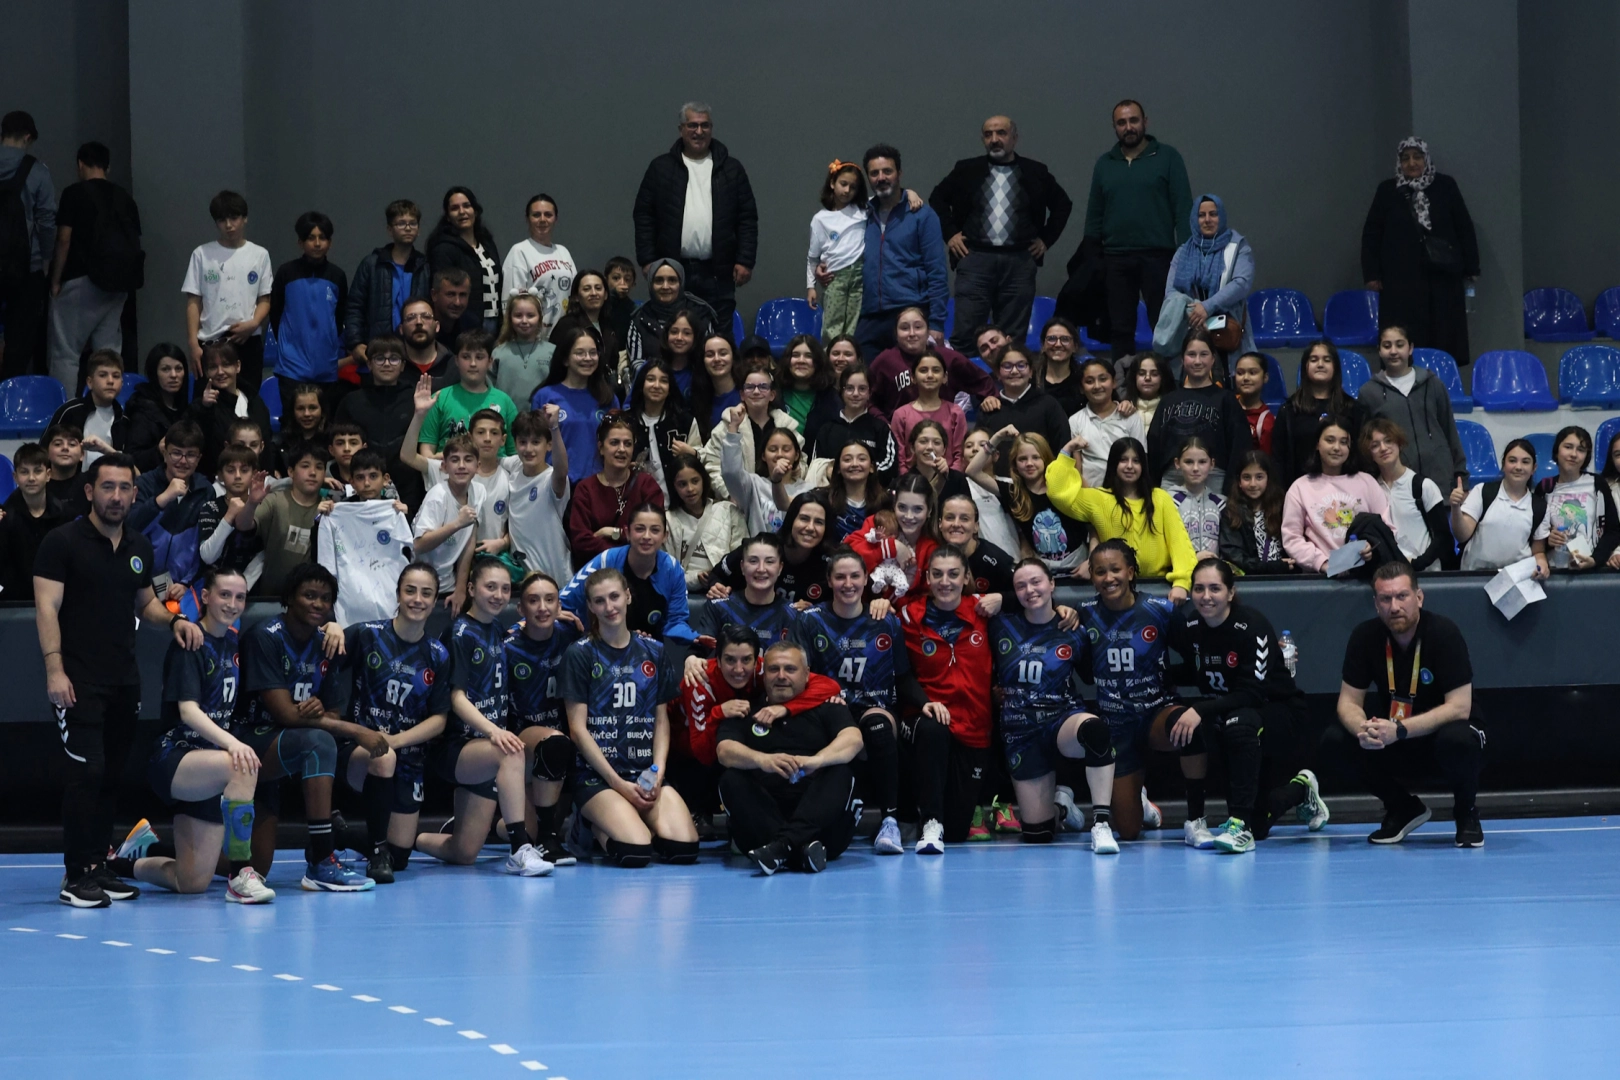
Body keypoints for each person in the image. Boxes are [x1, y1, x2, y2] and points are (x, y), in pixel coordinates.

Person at [33, 453, 205, 906]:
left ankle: (98, 865)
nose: (116, 496)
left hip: (124, 680)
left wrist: (174, 620)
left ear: (134, 493)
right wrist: (55, 669)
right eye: (107, 487)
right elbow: (46, 608)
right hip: (77, 680)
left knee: (110, 776)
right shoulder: (61, 542)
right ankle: (75, 876)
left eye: (124, 488)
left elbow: (145, 603)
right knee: (86, 773)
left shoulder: (138, 546)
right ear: (90, 491)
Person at [119, 568, 271, 902]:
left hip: (209, 766)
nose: (232, 604)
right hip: (175, 756)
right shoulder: (191, 641)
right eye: (224, 595)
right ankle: (241, 875)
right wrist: (233, 743)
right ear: (205, 597)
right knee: (242, 765)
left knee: (191, 881)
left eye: (240, 597)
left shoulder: (233, 642)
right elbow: (188, 711)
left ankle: (118, 862)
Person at [1173, 559, 1329, 851]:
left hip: (1279, 711)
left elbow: (1252, 693)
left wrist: (1199, 710)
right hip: (1235, 714)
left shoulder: (1252, 626)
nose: (1206, 596)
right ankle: (1301, 789)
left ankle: (1238, 826)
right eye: (1199, 589)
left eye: (1215, 588)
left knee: (1238, 723)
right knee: (1261, 823)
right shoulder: (1192, 626)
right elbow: (1195, 671)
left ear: (1231, 592)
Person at [233, 562, 371, 889]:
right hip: (247, 743)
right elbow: (286, 715)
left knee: (256, 865)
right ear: (289, 598)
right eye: (309, 595)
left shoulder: (325, 644)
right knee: (320, 742)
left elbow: (332, 714)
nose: (317, 604)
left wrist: (320, 709)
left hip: (286, 747)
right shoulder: (264, 637)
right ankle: (322, 860)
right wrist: (358, 731)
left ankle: (143, 853)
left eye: (325, 598)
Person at [1327, 561, 1485, 846]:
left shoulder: (1444, 633)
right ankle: (1402, 807)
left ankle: (1466, 813)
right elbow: (1348, 702)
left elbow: (1460, 707)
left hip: (1440, 735)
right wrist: (1363, 729)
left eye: (1402, 596)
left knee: (1459, 739)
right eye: (1385, 599)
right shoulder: (1364, 636)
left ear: (1419, 597)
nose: (1394, 606)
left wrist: (1400, 730)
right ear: (1376, 604)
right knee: (1336, 739)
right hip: (1395, 736)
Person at [415, 559, 552, 875]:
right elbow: (456, 698)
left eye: (505, 589)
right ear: (472, 589)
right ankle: (519, 850)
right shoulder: (460, 633)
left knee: (463, 852)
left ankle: (409, 839)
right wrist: (494, 731)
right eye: (491, 587)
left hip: (485, 750)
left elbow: (524, 631)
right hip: (456, 746)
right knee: (511, 751)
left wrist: (559, 618)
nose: (499, 595)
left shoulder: (496, 629)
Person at [561, 566, 700, 867]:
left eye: (614, 597)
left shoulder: (654, 651)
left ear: (627, 596)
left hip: (643, 772)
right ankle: (589, 824)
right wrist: (617, 784)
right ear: (590, 606)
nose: (609, 607)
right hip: (598, 777)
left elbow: (661, 719)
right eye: (599, 601)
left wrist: (658, 772)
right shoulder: (580, 653)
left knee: (684, 849)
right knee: (636, 852)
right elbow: (577, 730)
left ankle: (632, 819)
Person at [331, 563, 453, 883]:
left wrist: (395, 741)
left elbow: (439, 720)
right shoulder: (367, 635)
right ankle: (375, 852)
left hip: (408, 758)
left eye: (426, 593)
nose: (417, 599)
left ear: (435, 600)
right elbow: (322, 661)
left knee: (399, 857)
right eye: (410, 591)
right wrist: (329, 627)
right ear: (398, 594)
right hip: (359, 751)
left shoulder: (437, 654)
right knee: (383, 757)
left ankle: (342, 834)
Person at [990, 558, 1119, 852]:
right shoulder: (1000, 625)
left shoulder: (1073, 629)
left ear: (1052, 584)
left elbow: (1091, 675)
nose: (1029, 590)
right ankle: (1062, 807)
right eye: (1020, 586)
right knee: (1038, 834)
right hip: (1020, 730)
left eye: (1036, 582)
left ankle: (1101, 824)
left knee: (1095, 730)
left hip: (1061, 719)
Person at [1066, 540, 1181, 845]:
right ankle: (1138, 798)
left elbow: (1197, 646)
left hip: (1156, 714)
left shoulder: (1160, 610)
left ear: (1130, 572)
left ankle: (1197, 818)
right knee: (1128, 832)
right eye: (1100, 572)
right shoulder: (1084, 613)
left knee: (1192, 729)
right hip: (1115, 724)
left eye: (1115, 569)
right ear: (1092, 577)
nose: (1109, 578)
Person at [799, 548, 913, 854]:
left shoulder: (885, 620)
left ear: (866, 580)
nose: (847, 583)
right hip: (829, 708)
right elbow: (799, 675)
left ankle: (890, 821)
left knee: (877, 726)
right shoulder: (810, 621)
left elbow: (903, 675)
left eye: (855, 576)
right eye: (840, 577)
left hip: (874, 706)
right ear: (829, 580)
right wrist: (825, 693)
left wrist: (925, 703)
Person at [719, 641, 867, 874]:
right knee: (731, 778)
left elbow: (854, 739)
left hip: (824, 829)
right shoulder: (745, 710)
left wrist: (816, 760)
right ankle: (799, 852)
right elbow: (724, 750)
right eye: (773, 669)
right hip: (764, 826)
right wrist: (763, 760)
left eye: (790, 669)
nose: (781, 676)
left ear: (807, 674)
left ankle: (782, 848)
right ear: (763, 674)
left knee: (842, 771)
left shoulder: (828, 706)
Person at [930, 115, 1072, 355]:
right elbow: (937, 198)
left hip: (1019, 261)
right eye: (988, 134)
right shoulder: (967, 169)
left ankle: (1009, 379)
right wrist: (951, 234)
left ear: (1014, 138)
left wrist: (1046, 240)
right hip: (975, 259)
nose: (994, 139)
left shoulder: (1035, 172)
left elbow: (1062, 205)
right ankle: (963, 380)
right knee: (966, 334)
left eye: (1001, 133)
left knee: (1012, 338)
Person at [896, 546, 1000, 851]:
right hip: (925, 717)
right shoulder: (908, 616)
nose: (945, 582)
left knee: (956, 831)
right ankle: (929, 821)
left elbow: (1034, 597)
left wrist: (1004, 598)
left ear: (966, 577)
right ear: (927, 577)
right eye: (937, 574)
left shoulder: (983, 610)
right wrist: (924, 702)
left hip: (974, 726)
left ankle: (937, 820)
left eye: (953, 574)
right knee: (933, 730)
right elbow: (901, 674)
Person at [633, 102, 758, 337]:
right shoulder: (661, 168)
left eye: (704, 125)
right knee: (673, 337)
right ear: (681, 129)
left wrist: (745, 260)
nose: (698, 131)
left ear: (711, 128)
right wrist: (648, 259)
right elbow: (644, 215)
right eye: (692, 125)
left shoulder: (731, 169)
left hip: (719, 272)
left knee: (719, 338)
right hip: (673, 270)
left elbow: (747, 218)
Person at [1082, 100, 1193, 359]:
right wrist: (1091, 256)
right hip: (1115, 258)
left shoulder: (1168, 157)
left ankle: (1168, 379)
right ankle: (1123, 381)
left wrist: (1186, 256)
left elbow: (1183, 209)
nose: (1128, 127)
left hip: (1159, 257)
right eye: (1121, 123)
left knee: (1165, 325)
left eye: (1133, 120)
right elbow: (1095, 213)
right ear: (1114, 127)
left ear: (1145, 122)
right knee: (1120, 328)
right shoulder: (1105, 164)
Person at [1361, 137, 1479, 363]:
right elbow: (1372, 234)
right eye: (1405, 159)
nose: (1412, 163)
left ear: (1426, 159)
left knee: (1443, 332)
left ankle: (1440, 378)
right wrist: (1372, 274)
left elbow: (1463, 227)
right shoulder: (1387, 191)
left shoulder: (1446, 186)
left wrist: (1472, 266)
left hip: (1442, 278)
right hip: (1400, 281)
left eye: (1417, 157)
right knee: (1404, 333)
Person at [1045, 436, 1196, 600]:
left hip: (1158, 586)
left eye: (1136, 461)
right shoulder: (1099, 499)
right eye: (1123, 460)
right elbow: (1057, 493)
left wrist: (1182, 582)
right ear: (1114, 464)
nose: (1130, 466)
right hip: (1115, 589)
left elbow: (1179, 543)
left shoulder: (1160, 498)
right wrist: (1067, 450)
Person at [47, 141, 141, 394]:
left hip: (81, 280)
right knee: (108, 354)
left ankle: (65, 410)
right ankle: (109, 407)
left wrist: (55, 280)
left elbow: (64, 239)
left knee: (66, 352)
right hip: (119, 285)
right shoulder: (125, 197)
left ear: (80, 164)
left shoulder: (74, 193)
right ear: (107, 167)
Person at [503, 571, 581, 866]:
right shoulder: (508, 646)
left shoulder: (571, 636)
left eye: (550, 600)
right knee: (555, 743)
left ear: (560, 605)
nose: (542, 607)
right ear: (520, 608)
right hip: (523, 740)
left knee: (528, 830)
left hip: (565, 739)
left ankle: (495, 826)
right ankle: (549, 840)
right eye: (533, 601)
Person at [854, 145, 949, 359]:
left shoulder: (922, 215)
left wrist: (936, 323)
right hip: (870, 316)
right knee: (862, 376)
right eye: (874, 173)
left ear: (899, 173)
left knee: (911, 378)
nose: (881, 178)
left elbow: (936, 272)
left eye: (887, 171)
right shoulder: (861, 215)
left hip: (910, 312)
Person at [560, 503, 694, 643]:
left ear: (665, 536)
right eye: (639, 529)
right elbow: (564, 601)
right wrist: (554, 612)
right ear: (628, 533)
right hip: (599, 646)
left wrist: (695, 638)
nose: (647, 536)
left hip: (650, 649)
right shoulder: (606, 560)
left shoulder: (672, 569)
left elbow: (677, 621)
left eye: (655, 530)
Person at [969, 430, 1091, 578]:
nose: (1029, 463)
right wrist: (997, 438)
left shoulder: (1066, 485)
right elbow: (972, 471)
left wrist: (1091, 561)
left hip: (1079, 564)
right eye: (1022, 459)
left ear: (1046, 459)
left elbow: (1094, 525)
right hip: (1043, 569)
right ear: (1014, 463)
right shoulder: (1014, 493)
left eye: (1036, 457)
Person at [1359, 324, 1467, 488]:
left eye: (1399, 345)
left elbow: (1450, 431)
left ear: (1410, 348)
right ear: (1379, 351)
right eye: (1387, 346)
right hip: (1397, 484)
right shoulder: (1368, 392)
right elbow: (1366, 444)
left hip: (1440, 480)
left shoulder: (1433, 384)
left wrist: (1461, 478)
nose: (1393, 351)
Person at [1282, 417, 1394, 574]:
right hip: (1320, 578)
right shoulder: (1300, 488)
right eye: (1330, 440)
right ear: (1317, 444)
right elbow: (1292, 538)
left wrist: (1372, 547)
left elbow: (1388, 528)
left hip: (1367, 575)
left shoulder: (1367, 482)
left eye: (1343, 442)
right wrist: (1323, 563)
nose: (1336, 448)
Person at [182, 190, 272, 385]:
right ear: (216, 222)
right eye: (222, 220)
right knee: (208, 398)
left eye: (234, 218)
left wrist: (254, 323)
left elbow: (265, 299)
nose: (229, 225)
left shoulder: (259, 255)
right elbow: (193, 301)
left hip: (248, 339)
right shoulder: (202, 254)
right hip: (211, 339)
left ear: (244, 218)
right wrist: (193, 343)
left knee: (248, 398)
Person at [1147, 331, 1251, 487]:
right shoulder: (1168, 401)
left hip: (1214, 478)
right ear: (1182, 359)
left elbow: (1240, 447)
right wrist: (1153, 489)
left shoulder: (1226, 400)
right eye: (1191, 354)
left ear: (1213, 359)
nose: (1197, 361)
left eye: (1203, 354)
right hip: (1172, 479)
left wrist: (1230, 488)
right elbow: (1154, 447)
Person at [1159, 193, 1256, 363]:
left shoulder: (1238, 247)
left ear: (1222, 216)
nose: (1207, 220)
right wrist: (1195, 312)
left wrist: (1208, 307)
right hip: (1192, 327)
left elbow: (1241, 283)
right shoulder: (1183, 251)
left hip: (1226, 331)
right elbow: (1171, 291)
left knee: (1230, 375)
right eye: (1201, 215)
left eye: (1213, 214)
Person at [334, 334, 424, 511]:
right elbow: (339, 443)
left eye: (394, 358)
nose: (387, 364)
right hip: (364, 484)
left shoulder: (416, 399)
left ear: (403, 365)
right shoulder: (352, 401)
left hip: (409, 485)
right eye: (380, 358)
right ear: (369, 364)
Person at [268, 210, 349, 405]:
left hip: (325, 368)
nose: (317, 243)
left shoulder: (337, 275)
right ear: (300, 242)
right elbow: (276, 313)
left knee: (324, 419)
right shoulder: (286, 272)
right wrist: (288, 346)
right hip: (291, 367)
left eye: (323, 238)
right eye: (311, 238)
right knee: (292, 420)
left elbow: (340, 317)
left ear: (330, 242)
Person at [0, 111, 56, 378]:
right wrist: (46, 260)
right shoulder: (37, 171)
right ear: (27, 137)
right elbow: (47, 222)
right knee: (20, 341)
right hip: (25, 267)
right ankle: (11, 392)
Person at [868, 306, 995, 422]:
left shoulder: (949, 358)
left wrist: (990, 397)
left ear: (928, 331)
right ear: (896, 333)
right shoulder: (884, 361)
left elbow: (983, 382)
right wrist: (884, 425)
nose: (912, 333)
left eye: (918, 327)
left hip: (942, 432)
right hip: (899, 432)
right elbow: (868, 400)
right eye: (904, 328)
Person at [343, 199, 428, 367]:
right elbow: (354, 307)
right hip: (377, 351)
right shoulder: (372, 264)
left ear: (418, 229)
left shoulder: (425, 266)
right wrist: (356, 343)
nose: (408, 228)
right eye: (401, 223)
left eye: (413, 223)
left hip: (415, 351)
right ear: (390, 230)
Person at [709, 489, 832, 606]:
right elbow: (716, 575)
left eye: (819, 522)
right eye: (804, 519)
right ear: (791, 520)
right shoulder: (763, 547)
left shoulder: (829, 563)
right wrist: (716, 586)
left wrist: (812, 612)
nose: (810, 528)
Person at [129, 420, 213, 588]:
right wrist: (163, 499)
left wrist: (186, 583)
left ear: (198, 459)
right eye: (176, 453)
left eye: (190, 455)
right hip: (140, 582)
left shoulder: (205, 490)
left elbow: (206, 547)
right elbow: (129, 528)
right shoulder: (144, 483)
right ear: (165, 454)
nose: (183, 461)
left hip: (184, 586)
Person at [1271, 340, 1367, 486]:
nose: (1320, 364)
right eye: (1314, 360)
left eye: (1327, 360)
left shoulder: (1353, 409)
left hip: (1347, 490)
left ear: (1335, 367)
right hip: (1300, 490)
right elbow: (1279, 459)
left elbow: (1362, 455)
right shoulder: (1289, 410)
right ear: (1305, 367)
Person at [532, 324, 620, 482]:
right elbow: (535, 443)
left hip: (598, 484)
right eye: (580, 353)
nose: (588, 358)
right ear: (565, 359)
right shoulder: (545, 396)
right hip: (555, 483)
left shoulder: (608, 398)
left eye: (593, 353)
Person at [713, 393, 810, 534]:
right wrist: (733, 427)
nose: (779, 454)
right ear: (764, 456)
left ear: (796, 455)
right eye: (773, 449)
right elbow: (730, 472)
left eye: (786, 449)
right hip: (760, 546)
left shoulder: (808, 490)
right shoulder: (754, 486)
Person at [1363, 419, 1453, 569]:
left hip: (1426, 573)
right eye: (1375, 445)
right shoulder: (1371, 489)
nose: (1383, 448)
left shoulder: (1424, 486)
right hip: (1389, 574)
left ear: (1399, 443)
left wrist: (1418, 564)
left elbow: (1443, 536)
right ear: (1370, 454)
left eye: (1388, 441)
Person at [1449, 438, 1546, 574]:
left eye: (1525, 462)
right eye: (1512, 460)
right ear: (1503, 465)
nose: (1518, 467)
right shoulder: (1482, 491)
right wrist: (1455, 507)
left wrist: (1541, 563)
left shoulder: (1540, 506)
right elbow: (1462, 535)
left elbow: (1538, 551)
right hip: (1475, 575)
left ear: (1533, 468)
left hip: (1516, 578)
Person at [410, 433, 485, 603]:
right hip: (422, 581)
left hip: (449, 584)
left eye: (468, 459)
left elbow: (469, 541)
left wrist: (460, 588)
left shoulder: (479, 492)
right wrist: (457, 523)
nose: (461, 466)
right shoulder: (438, 496)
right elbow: (419, 545)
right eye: (455, 460)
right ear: (444, 466)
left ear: (478, 466)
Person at [806, 159, 870, 342]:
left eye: (853, 187)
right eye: (843, 184)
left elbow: (889, 198)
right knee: (832, 326)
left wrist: (910, 193)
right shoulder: (821, 219)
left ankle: (851, 360)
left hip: (860, 276)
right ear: (832, 183)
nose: (847, 190)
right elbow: (812, 258)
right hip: (835, 277)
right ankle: (830, 358)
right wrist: (811, 287)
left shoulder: (864, 210)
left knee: (854, 327)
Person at [187, 341, 274, 476]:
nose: (220, 372)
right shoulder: (201, 406)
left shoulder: (255, 401)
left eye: (226, 364)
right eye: (213, 367)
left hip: (258, 479)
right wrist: (205, 409)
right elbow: (200, 445)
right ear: (207, 372)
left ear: (237, 366)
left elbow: (267, 444)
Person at [1532, 425, 1611, 574]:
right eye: (1568, 447)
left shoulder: (1597, 484)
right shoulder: (1545, 487)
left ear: (1586, 456)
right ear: (1557, 451)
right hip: (1553, 571)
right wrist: (1548, 540)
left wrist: (1595, 559)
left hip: (1591, 570)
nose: (1574, 454)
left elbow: (1613, 531)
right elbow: (1535, 535)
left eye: (1581, 450)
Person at [807, 363, 899, 483]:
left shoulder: (880, 428)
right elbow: (817, 465)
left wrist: (858, 475)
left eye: (862, 389)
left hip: (870, 491)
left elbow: (890, 467)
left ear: (870, 393)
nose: (855, 394)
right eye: (850, 388)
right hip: (831, 491)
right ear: (841, 391)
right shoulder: (827, 429)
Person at [667, 453, 747, 589]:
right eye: (682, 484)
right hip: (684, 592)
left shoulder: (728, 510)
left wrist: (719, 577)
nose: (690, 489)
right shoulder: (668, 520)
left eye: (695, 481)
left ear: (703, 480)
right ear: (673, 486)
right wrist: (695, 578)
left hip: (726, 589)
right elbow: (667, 572)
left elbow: (742, 557)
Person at [427, 186, 500, 334]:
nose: (462, 212)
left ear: (475, 211)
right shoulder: (443, 249)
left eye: (467, 206)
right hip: (464, 326)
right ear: (448, 216)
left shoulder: (487, 243)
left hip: (494, 322)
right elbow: (444, 294)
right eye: (455, 208)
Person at [624, 258, 718, 367]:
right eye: (659, 280)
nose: (665, 286)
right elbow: (636, 362)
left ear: (681, 283)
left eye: (672, 280)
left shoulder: (700, 314)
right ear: (651, 284)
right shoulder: (641, 317)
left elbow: (711, 355)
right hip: (652, 377)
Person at [1068, 355, 1146, 487]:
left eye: (1103, 379)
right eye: (1089, 381)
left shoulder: (1130, 417)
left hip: (1124, 491)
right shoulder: (1075, 420)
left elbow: (1140, 458)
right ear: (1081, 388)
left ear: (1114, 382)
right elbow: (1077, 467)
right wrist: (1087, 494)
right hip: (1090, 492)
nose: (1097, 386)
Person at [501, 192, 575, 331]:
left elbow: (575, 294)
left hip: (565, 333)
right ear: (527, 219)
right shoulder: (519, 251)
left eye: (548, 215)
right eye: (536, 215)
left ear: (556, 219)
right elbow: (510, 302)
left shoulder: (563, 252)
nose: (542, 219)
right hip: (532, 335)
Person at [983, 342, 1069, 460]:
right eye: (1007, 366)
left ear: (1031, 371)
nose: (1014, 371)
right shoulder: (990, 408)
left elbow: (1063, 448)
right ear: (998, 373)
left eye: (1021, 365)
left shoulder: (1048, 405)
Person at [0, 442, 63, 602]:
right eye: (24, 472)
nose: (31, 478)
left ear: (48, 475)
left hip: (58, 599)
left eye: (37, 471)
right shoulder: (4, 518)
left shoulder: (64, 515)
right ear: (15, 477)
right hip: (14, 602)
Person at [627, 358, 696, 500]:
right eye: (650, 379)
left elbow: (700, 462)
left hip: (679, 505)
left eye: (664, 381)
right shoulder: (626, 422)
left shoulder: (685, 422)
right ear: (641, 384)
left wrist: (692, 453)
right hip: (637, 505)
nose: (657, 385)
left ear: (670, 388)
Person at [1219, 450, 1295, 574]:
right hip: (1249, 580)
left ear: (1268, 479)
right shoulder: (1231, 513)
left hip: (1285, 578)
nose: (1253, 484)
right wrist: (1271, 567)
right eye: (1246, 477)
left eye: (1259, 477)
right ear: (1239, 481)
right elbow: (1234, 555)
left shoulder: (1283, 507)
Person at [48, 347, 127, 464]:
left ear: (122, 383)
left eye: (116, 376)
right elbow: (44, 449)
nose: (110, 381)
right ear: (90, 382)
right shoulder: (70, 411)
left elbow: (129, 464)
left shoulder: (124, 419)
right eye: (103, 375)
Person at [891, 351, 968, 471]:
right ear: (913, 377)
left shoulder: (955, 412)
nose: (930, 375)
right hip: (911, 479)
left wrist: (950, 477)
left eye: (936, 370)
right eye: (923, 370)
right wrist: (908, 480)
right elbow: (900, 458)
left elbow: (959, 455)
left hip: (948, 477)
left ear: (945, 377)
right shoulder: (901, 414)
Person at [125, 343, 190, 472]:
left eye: (178, 369)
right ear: (154, 373)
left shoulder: (185, 408)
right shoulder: (142, 409)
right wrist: (158, 451)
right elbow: (132, 457)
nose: (173, 375)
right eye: (165, 369)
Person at [957, 429, 1022, 557]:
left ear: (996, 455)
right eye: (969, 446)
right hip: (978, 560)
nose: (975, 449)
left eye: (983, 445)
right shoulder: (961, 487)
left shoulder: (1010, 484)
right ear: (962, 457)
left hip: (1014, 557)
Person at [550, 269, 621, 372]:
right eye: (587, 289)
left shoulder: (609, 325)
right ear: (576, 297)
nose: (593, 293)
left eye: (598, 288)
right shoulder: (566, 325)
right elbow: (556, 364)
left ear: (605, 295)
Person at [1168, 437, 1225, 562]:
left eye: (1202, 462)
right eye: (1189, 462)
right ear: (1177, 463)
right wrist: (1192, 558)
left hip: (1214, 570)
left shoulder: (1221, 504)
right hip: (1180, 570)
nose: (1195, 468)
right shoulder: (1168, 501)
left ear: (1212, 464)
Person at [822, 439, 888, 539]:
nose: (854, 464)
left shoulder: (885, 502)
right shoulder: (824, 498)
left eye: (862, 459)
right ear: (838, 468)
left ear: (872, 467)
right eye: (847, 460)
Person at [687, 331, 740, 443]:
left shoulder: (748, 394)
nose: (717, 359)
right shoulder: (699, 399)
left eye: (723, 353)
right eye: (710, 355)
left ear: (733, 357)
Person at [1032, 317, 1088, 415]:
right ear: (1043, 345)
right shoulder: (1030, 379)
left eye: (1065, 339)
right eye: (1051, 339)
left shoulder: (1084, 379)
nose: (1058, 344)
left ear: (1075, 346)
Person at [399, 295, 454, 384]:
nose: (419, 322)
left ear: (437, 326)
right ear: (401, 329)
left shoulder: (453, 365)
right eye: (411, 318)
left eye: (426, 316)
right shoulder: (391, 366)